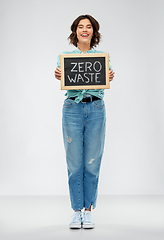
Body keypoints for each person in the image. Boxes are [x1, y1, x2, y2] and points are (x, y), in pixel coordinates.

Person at [54, 14, 115, 229]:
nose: (85, 30)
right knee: (74, 163)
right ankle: (76, 211)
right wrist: (58, 74)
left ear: (93, 32)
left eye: (89, 27)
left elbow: (103, 80)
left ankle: (88, 210)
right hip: (72, 108)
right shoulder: (65, 57)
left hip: (96, 107)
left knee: (92, 162)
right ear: (75, 31)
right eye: (81, 26)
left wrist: (108, 76)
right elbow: (64, 78)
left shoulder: (102, 57)